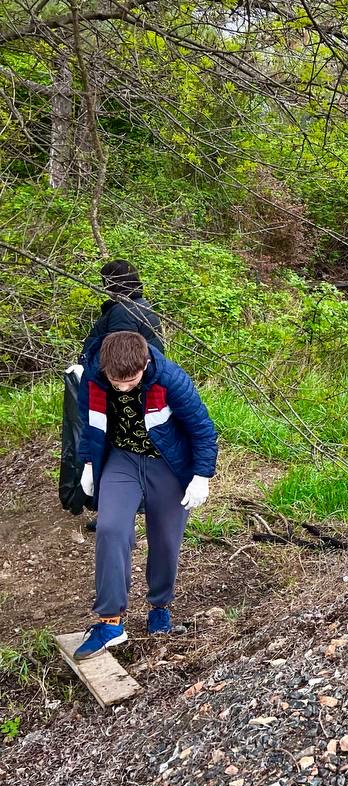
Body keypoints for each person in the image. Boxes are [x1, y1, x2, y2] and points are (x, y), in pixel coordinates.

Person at [73, 330, 218, 660]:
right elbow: (88, 422)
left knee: (165, 539)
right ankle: (110, 621)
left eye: (131, 381)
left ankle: (160, 607)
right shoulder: (93, 377)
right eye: (116, 382)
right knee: (110, 529)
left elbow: (202, 429)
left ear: (145, 364)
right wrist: (88, 465)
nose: (123, 388)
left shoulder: (169, 379)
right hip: (121, 459)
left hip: (167, 462)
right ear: (105, 368)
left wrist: (201, 476)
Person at [75, 260, 164, 533]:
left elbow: (116, 355)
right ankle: (124, 508)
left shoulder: (124, 311)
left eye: (106, 282)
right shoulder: (141, 306)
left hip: (121, 389)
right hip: (137, 386)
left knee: (113, 446)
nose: (104, 287)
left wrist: (93, 375)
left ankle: (118, 513)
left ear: (113, 283)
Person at [81, 259, 164, 364]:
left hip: (122, 372)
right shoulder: (141, 304)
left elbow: (120, 358)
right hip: (145, 369)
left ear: (110, 283)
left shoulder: (123, 312)